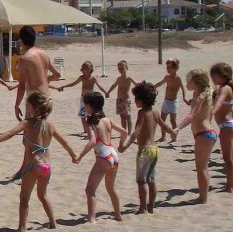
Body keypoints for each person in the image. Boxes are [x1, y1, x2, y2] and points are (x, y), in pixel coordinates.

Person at [0, 92, 75, 231]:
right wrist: (73, 155)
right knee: (43, 195)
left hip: (33, 165)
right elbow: (64, 143)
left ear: (32, 108)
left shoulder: (27, 123)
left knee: (24, 198)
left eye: (27, 104)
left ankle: (22, 228)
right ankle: (53, 224)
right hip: (47, 166)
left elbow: (10, 133)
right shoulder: (50, 126)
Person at [119, 81, 175, 215]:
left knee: (141, 181)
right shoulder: (155, 112)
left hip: (144, 150)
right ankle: (151, 206)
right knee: (151, 180)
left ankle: (143, 208)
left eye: (136, 99)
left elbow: (137, 131)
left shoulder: (142, 113)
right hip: (154, 149)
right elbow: (164, 126)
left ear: (140, 100)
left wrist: (125, 145)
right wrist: (172, 132)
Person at [72, 92, 125, 223]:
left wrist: (80, 155)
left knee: (90, 189)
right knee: (111, 188)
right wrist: (121, 145)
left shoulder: (91, 122)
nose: (85, 108)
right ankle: (118, 215)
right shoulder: (108, 120)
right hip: (113, 154)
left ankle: (91, 219)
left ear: (91, 106)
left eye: (86, 105)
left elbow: (92, 141)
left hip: (103, 157)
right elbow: (125, 132)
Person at [174, 69, 218, 204]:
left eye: (189, 80)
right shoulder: (203, 94)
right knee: (202, 167)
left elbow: (192, 116)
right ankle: (203, 195)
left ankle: (203, 198)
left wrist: (178, 128)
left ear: (195, 82)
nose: (187, 82)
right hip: (206, 133)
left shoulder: (201, 96)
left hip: (204, 134)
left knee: (201, 168)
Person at [13, 25, 61, 121]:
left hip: (35, 100)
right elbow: (57, 75)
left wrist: (16, 105)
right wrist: (44, 80)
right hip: (47, 98)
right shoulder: (44, 54)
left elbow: (21, 86)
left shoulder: (25, 58)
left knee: (30, 134)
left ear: (21, 40)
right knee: (41, 132)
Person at [210, 62, 233, 193]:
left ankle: (229, 186)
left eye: (214, 76)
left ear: (222, 76)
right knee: (231, 157)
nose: (212, 78)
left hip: (227, 125)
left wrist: (212, 112)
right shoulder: (228, 87)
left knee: (228, 158)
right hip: (229, 125)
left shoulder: (225, 88)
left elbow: (220, 101)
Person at [58, 61, 105, 135]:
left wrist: (105, 92)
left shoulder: (93, 78)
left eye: (88, 69)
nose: (86, 70)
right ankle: (86, 130)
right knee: (82, 115)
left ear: (91, 69)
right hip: (83, 99)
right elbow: (73, 84)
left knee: (91, 115)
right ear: (82, 70)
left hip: (91, 100)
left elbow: (99, 86)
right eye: (84, 69)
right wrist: (64, 86)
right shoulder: (82, 78)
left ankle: (92, 129)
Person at [153, 58, 188, 141]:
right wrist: (152, 87)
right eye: (167, 67)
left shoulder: (178, 78)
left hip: (173, 102)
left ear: (175, 68)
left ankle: (174, 136)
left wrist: (184, 97)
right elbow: (160, 83)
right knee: (162, 120)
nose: (168, 69)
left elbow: (183, 88)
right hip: (166, 101)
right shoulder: (167, 77)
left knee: (173, 121)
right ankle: (163, 136)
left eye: (170, 68)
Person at [103, 60, 137, 135]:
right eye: (119, 69)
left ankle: (129, 132)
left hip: (126, 100)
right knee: (122, 117)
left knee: (128, 116)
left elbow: (136, 84)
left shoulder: (129, 78)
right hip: (119, 99)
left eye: (122, 68)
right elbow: (114, 85)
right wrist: (108, 92)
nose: (120, 70)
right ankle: (124, 131)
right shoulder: (119, 78)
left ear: (126, 68)